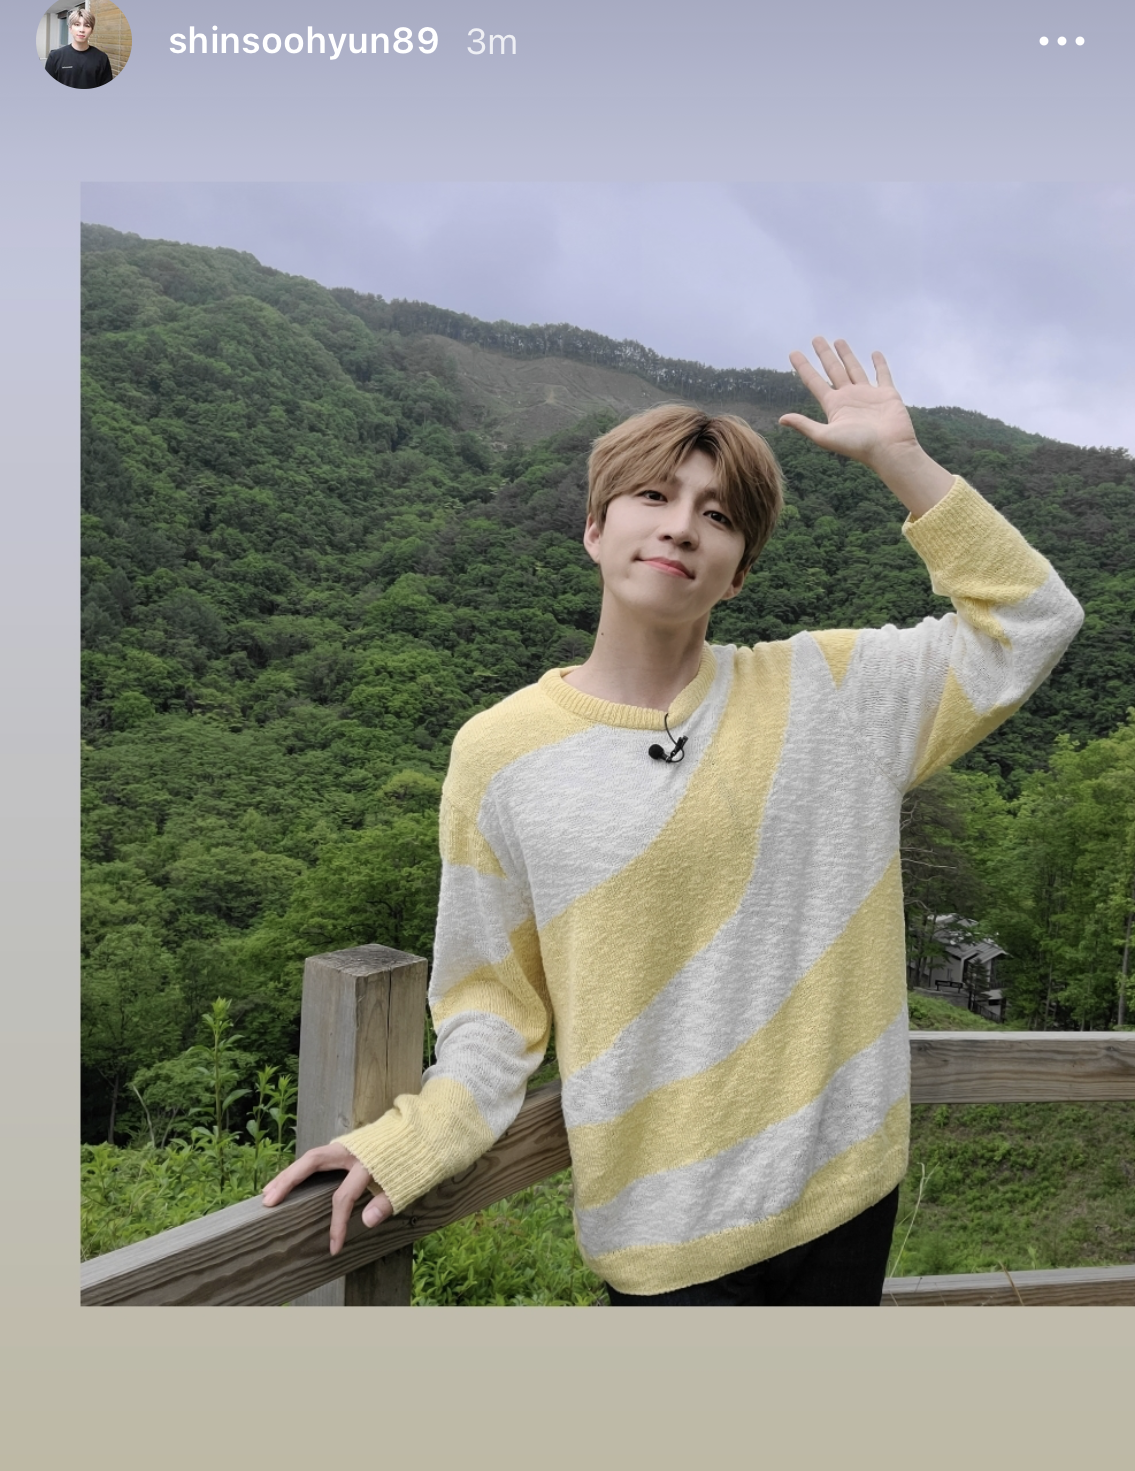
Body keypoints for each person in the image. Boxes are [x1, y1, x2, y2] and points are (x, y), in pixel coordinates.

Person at [263, 338, 1083, 1304]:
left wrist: (902, 460)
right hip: (661, 1234)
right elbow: (492, 1002)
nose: (683, 527)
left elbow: (1032, 621)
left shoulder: (831, 694)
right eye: (654, 496)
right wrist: (416, 1139)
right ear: (595, 529)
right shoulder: (499, 753)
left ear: (738, 574)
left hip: (843, 1194)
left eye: (719, 515)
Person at [45, 7, 113, 88]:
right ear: (70, 29)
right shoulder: (55, 56)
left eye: (87, 25)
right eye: (77, 25)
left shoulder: (102, 58)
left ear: (91, 31)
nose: (82, 30)